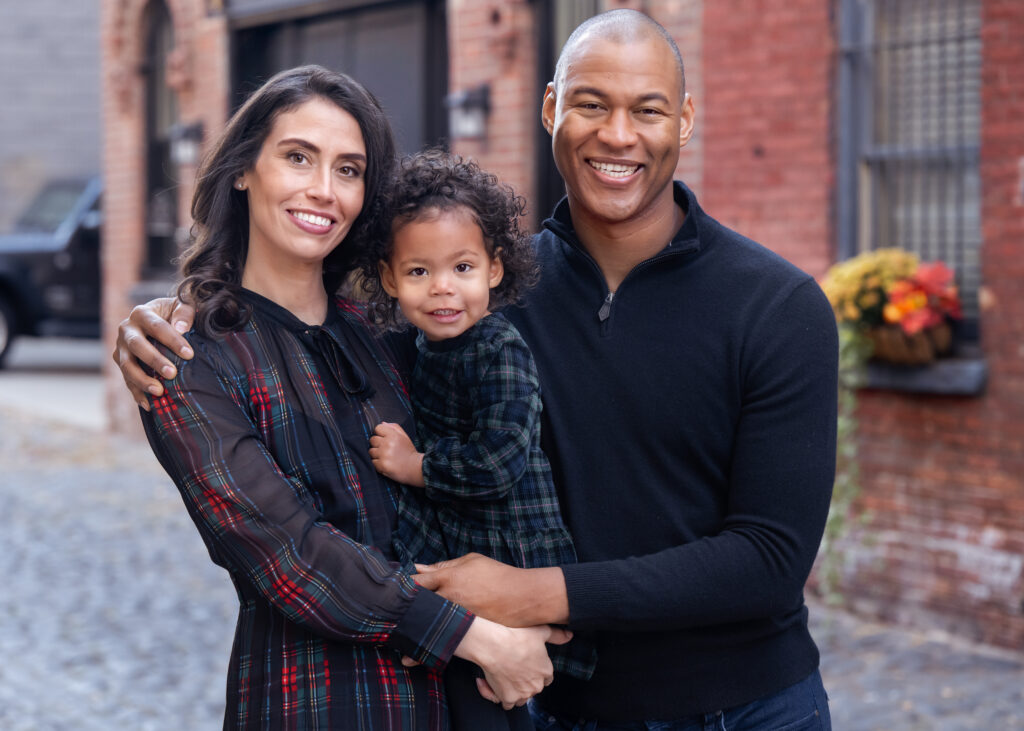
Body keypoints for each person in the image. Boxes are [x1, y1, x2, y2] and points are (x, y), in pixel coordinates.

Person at [116, 10, 838, 730]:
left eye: (646, 110)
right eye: (591, 103)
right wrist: (172, 312)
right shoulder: (477, 299)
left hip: (746, 707)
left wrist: (528, 594)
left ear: (683, 120)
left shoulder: (776, 304)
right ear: (551, 108)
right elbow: (289, 496)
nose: (617, 134)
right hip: (548, 707)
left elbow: (770, 556)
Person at [134, 65, 568, 730]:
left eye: (349, 169)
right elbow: (288, 553)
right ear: (244, 168)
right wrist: (479, 636)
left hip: (452, 701)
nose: (323, 189)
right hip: (317, 698)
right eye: (298, 157)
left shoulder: (385, 333)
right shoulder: (191, 358)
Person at [362, 150, 596, 730]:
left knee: (519, 674)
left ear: (494, 268)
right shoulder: (420, 345)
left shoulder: (499, 347)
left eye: (462, 269)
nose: (443, 290)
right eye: (419, 272)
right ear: (390, 278)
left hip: (514, 540)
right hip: (465, 532)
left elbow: (501, 460)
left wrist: (416, 466)